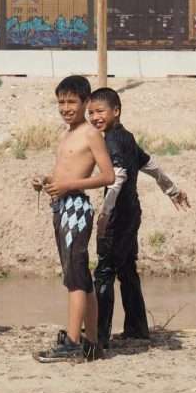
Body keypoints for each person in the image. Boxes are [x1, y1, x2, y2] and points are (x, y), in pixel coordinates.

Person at [87, 87, 190, 348]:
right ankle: (137, 329)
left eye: (100, 111)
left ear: (116, 111)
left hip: (120, 213)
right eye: (90, 112)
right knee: (126, 268)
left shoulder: (111, 140)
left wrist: (105, 213)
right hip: (133, 211)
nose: (94, 116)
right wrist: (172, 189)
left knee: (105, 270)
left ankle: (98, 336)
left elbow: (119, 175)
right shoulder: (126, 137)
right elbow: (151, 165)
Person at [31, 75, 114, 363]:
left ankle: (71, 342)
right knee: (82, 279)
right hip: (61, 207)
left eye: (72, 102)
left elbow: (108, 176)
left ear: (85, 103)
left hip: (77, 208)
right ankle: (92, 344)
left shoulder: (91, 134)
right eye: (61, 102)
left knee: (75, 279)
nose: (66, 108)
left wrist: (68, 186)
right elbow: (65, 173)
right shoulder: (65, 133)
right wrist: (47, 181)